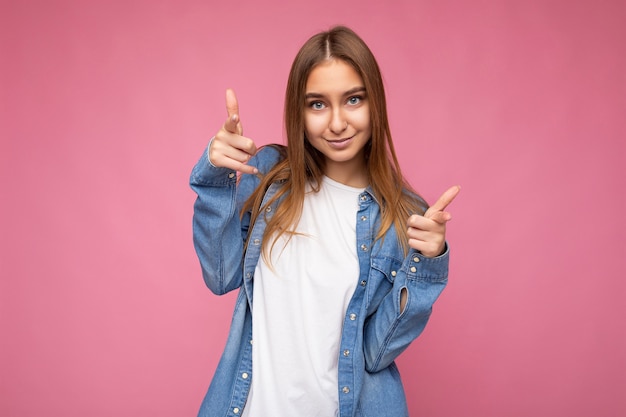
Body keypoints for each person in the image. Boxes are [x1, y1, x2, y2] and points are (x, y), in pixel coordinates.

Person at [190, 25, 459, 417]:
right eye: (317, 104)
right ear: (298, 111)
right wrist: (215, 177)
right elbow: (219, 274)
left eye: (353, 100)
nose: (336, 123)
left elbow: (376, 351)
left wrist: (428, 264)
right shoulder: (268, 178)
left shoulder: (403, 216)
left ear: (376, 104)